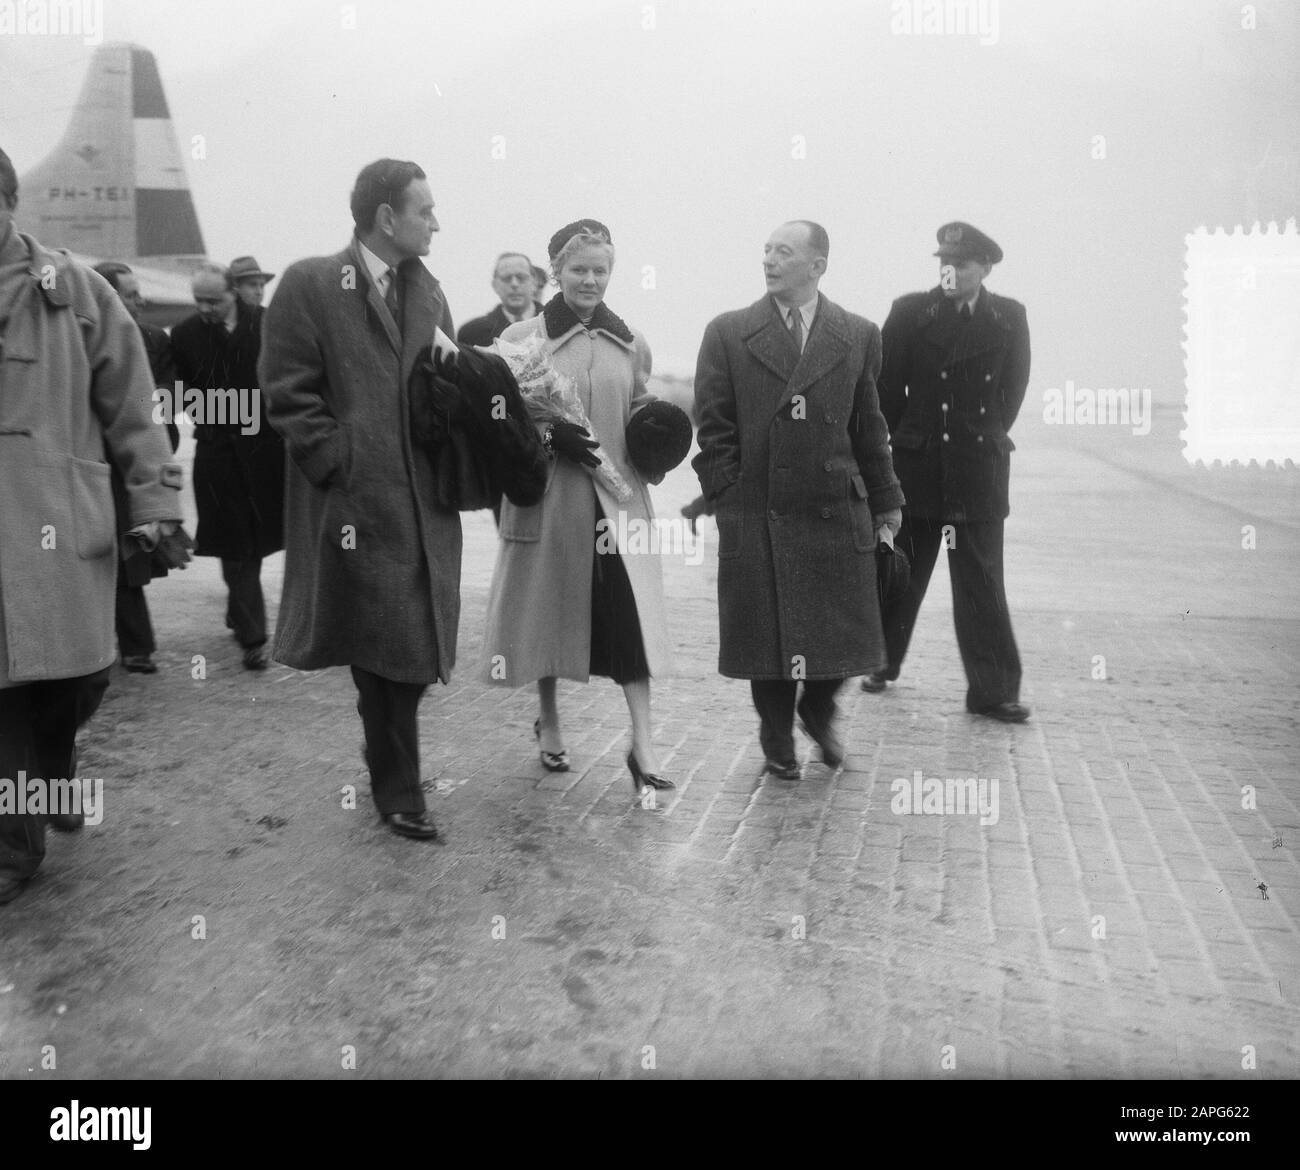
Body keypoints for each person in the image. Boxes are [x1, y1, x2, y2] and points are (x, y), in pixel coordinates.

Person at [0, 146, 191, 906]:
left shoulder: (73, 290)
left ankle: (53, 775)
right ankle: (15, 849)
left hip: (59, 521)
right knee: (4, 696)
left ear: (11, 204)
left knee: (74, 681)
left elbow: (133, 408)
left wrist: (154, 505)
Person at [259, 158, 457, 842]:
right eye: (425, 210)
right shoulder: (313, 282)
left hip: (422, 507)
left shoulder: (429, 293)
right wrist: (338, 459)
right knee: (383, 650)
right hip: (353, 506)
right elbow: (286, 390)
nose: (435, 221)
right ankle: (398, 787)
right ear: (386, 218)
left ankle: (388, 759)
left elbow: (443, 387)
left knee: (412, 647)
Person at [693, 220, 903, 780]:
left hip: (836, 504)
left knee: (844, 628)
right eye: (765, 250)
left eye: (783, 252)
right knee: (768, 632)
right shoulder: (729, 332)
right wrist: (727, 492)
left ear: (817, 265)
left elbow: (869, 422)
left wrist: (886, 500)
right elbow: (712, 427)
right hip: (760, 505)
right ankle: (776, 733)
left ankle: (819, 707)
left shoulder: (857, 333)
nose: (769, 260)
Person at [480, 219, 674, 798]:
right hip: (552, 498)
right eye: (578, 269)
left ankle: (643, 744)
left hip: (619, 503)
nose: (590, 279)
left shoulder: (631, 340)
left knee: (630, 619)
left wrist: (660, 438)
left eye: (600, 270)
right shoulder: (521, 338)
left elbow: (640, 406)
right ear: (556, 273)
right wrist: (545, 438)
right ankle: (551, 718)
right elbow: (499, 420)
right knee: (547, 613)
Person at [865, 222, 1031, 723]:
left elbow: (1012, 392)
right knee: (903, 573)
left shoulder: (1009, 317)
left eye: (961, 264)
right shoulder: (912, 311)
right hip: (918, 466)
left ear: (985, 268)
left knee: (982, 583)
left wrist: (980, 434)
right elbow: (885, 391)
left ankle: (993, 692)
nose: (951, 271)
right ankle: (878, 662)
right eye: (945, 262)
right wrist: (896, 448)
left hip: (978, 469)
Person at [170, 262, 286, 669]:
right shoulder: (184, 335)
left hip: (268, 454)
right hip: (217, 455)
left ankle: (240, 611)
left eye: (213, 300)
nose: (204, 308)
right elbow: (178, 395)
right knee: (235, 546)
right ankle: (255, 638)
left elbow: (291, 379)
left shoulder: (270, 324)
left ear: (233, 292)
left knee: (256, 543)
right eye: (198, 300)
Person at [92, 261, 181, 674]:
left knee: (129, 553)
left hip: (130, 463)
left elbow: (165, 399)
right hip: (91, 462)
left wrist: (157, 451)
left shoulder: (153, 339)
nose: (139, 299)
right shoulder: (82, 335)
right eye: (129, 294)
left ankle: (136, 646)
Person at [455, 251, 543, 348]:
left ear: (535, 282)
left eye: (521, 277)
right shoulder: (472, 333)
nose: (514, 284)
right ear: (495, 285)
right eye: (506, 278)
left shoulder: (554, 323)